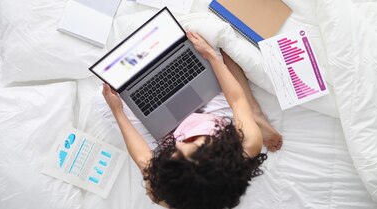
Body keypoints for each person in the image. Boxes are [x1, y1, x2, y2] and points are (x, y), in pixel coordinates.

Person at [102, 31, 282, 209]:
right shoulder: (247, 145)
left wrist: (118, 112)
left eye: (175, 155)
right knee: (217, 49)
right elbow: (237, 100)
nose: (178, 144)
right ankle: (255, 115)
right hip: (214, 116)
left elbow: (144, 158)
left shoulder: (165, 191)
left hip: (167, 129)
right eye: (193, 145)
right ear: (221, 151)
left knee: (109, 100)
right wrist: (210, 55)